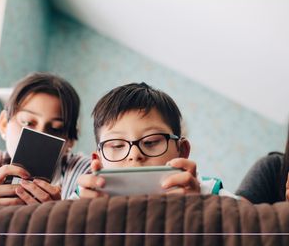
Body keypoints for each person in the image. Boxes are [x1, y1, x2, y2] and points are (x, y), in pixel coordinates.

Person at [77, 82, 234, 198]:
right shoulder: (83, 197)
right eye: (117, 145)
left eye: (151, 142)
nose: (134, 154)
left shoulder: (211, 193)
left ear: (182, 151)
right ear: (98, 161)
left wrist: (200, 209)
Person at [0, 73, 91, 206]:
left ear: (70, 141)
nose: (40, 135)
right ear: (4, 124)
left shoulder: (83, 174)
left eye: (56, 129)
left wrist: (56, 215)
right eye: (27, 123)